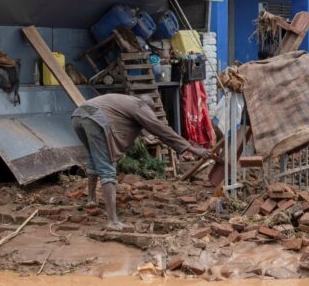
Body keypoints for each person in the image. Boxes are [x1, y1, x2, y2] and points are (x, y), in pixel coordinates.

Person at [71, 94, 210, 230]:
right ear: (149, 107)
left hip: (78, 115)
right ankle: (112, 221)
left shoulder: (125, 102)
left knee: (93, 157)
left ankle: (91, 199)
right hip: (95, 120)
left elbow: (147, 130)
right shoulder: (140, 105)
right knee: (106, 166)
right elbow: (161, 130)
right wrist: (191, 148)